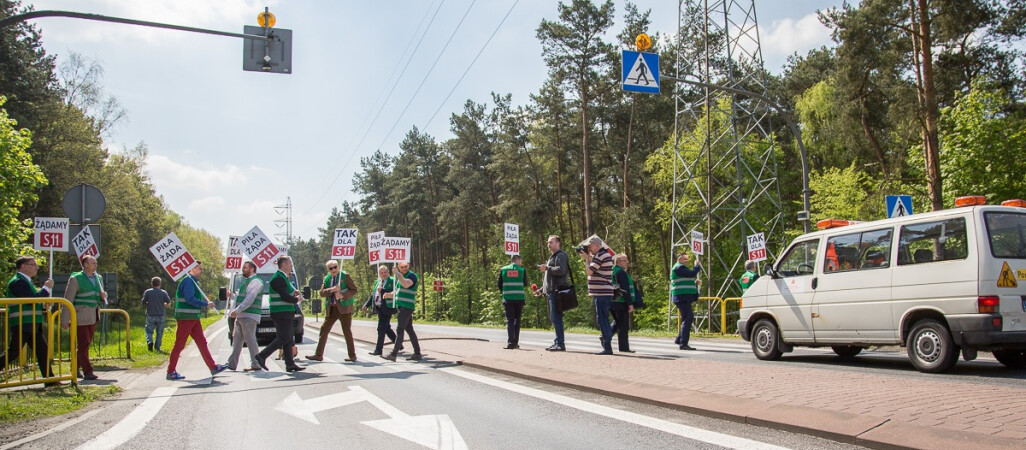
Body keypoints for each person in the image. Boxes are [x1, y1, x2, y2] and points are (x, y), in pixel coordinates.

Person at [167, 261, 228, 380]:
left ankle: (213, 366)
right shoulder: (188, 281)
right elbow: (190, 299)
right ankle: (171, 371)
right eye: (200, 269)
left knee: (202, 342)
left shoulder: (192, 281)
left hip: (193, 318)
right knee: (179, 344)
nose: (201, 271)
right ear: (193, 269)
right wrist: (205, 304)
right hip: (186, 318)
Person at [2, 256, 58, 386]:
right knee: (13, 352)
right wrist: (46, 289)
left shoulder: (26, 281)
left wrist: (44, 305)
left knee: (42, 351)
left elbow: (34, 301)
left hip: (31, 323)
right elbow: (30, 299)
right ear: (23, 266)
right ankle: (50, 379)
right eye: (33, 265)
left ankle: (50, 380)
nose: (36, 267)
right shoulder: (17, 282)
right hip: (23, 323)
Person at [61, 255, 107, 381]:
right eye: (92, 263)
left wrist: (103, 296)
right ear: (85, 264)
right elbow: (68, 299)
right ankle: (88, 371)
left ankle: (75, 368)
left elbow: (99, 296)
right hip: (80, 315)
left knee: (85, 344)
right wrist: (64, 319)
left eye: (96, 263)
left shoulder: (98, 278)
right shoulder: (76, 278)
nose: (95, 265)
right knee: (84, 343)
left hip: (93, 314)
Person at [255, 256, 305, 373]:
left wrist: (294, 292)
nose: (291, 266)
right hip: (280, 312)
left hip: (284, 312)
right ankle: (262, 356)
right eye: (290, 263)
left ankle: (290, 364)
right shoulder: (278, 278)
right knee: (284, 338)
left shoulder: (283, 278)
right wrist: (296, 299)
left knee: (288, 338)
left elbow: (286, 292)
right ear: (283, 265)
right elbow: (284, 296)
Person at [307, 260, 359, 362]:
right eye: (331, 268)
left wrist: (342, 295)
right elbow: (321, 293)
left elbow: (354, 290)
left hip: (344, 309)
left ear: (338, 267)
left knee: (347, 332)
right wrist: (331, 290)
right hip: (331, 309)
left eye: (335, 267)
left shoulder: (345, 276)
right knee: (324, 330)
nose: (334, 270)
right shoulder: (327, 278)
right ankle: (319, 354)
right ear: (328, 270)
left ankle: (352, 355)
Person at [223, 261, 264, 371]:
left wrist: (237, 310)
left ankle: (256, 363)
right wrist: (232, 296)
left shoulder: (256, 282)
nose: (243, 269)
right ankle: (231, 364)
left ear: (252, 269)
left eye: (245, 268)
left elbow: (249, 299)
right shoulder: (247, 282)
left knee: (250, 339)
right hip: (242, 315)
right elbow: (241, 298)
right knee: (237, 340)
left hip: (249, 315)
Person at [580, 235, 615, 355]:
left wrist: (586, 258)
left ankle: (607, 345)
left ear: (597, 245)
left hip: (602, 292)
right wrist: (589, 257)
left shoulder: (601, 255)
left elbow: (590, 271)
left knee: (602, 320)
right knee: (603, 319)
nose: (589, 248)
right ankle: (606, 340)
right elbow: (595, 269)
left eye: (590, 246)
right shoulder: (602, 255)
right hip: (603, 292)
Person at [536, 235, 569, 352]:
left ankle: (560, 343)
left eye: (551, 242)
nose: (548, 244)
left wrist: (547, 268)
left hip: (557, 292)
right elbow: (549, 277)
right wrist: (541, 289)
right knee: (554, 318)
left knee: (556, 318)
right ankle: (557, 342)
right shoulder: (552, 257)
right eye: (548, 242)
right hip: (551, 292)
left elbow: (561, 270)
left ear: (558, 243)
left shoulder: (561, 255)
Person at [383, 262, 421, 362]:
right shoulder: (401, 278)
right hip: (402, 307)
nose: (404, 268)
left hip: (406, 307)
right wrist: (389, 295)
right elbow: (398, 292)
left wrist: (397, 274)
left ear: (408, 266)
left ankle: (393, 354)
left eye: (406, 266)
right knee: (409, 330)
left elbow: (406, 284)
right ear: (399, 267)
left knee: (400, 330)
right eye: (402, 267)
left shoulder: (412, 276)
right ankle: (417, 353)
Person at [362, 265, 398, 355]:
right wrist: (366, 304)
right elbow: (373, 295)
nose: (383, 274)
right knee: (386, 328)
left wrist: (382, 290)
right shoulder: (378, 281)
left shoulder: (392, 281)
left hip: (387, 307)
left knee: (381, 328)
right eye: (381, 273)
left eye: (385, 272)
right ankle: (398, 343)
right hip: (379, 308)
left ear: (388, 272)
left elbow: (395, 292)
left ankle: (378, 350)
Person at [672, 251, 702, 351]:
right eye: (685, 259)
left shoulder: (681, 268)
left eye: (687, 259)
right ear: (679, 259)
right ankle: (683, 343)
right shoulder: (679, 267)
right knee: (688, 317)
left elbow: (685, 280)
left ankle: (679, 339)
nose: (687, 261)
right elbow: (692, 273)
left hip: (682, 297)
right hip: (682, 297)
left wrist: (695, 283)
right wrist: (696, 266)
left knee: (687, 317)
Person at [497, 254, 528, 349]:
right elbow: (525, 284)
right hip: (519, 299)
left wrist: (505, 291)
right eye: (521, 261)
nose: (521, 263)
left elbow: (499, 284)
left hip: (508, 299)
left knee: (510, 321)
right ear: (517, 260)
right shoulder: (522, 270)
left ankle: (510, 343)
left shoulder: (503, 269)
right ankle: (516, 343)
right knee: (517, 320)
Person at [610, 254, 636, 353]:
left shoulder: (612, 271)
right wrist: (630, 304)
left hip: (613, 300)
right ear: (618, 262)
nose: (627, 263)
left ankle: (605, 336)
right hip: (621, 301)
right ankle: (624, 347)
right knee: (623, 326)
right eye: (625, 261)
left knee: (618, 323)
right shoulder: (621, 272)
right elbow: (625, 289)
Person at [140, 276, 171, 352]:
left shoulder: (148, 292)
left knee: (148, 330)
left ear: (152, 284)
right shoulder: (163, 292)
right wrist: (163, 305)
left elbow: (143, 302)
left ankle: (150, 341)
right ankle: (157, 347)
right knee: (159, 332)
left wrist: (148, 303)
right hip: (160, 314)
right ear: (160, 284)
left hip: (150, 314)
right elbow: (169, 303)